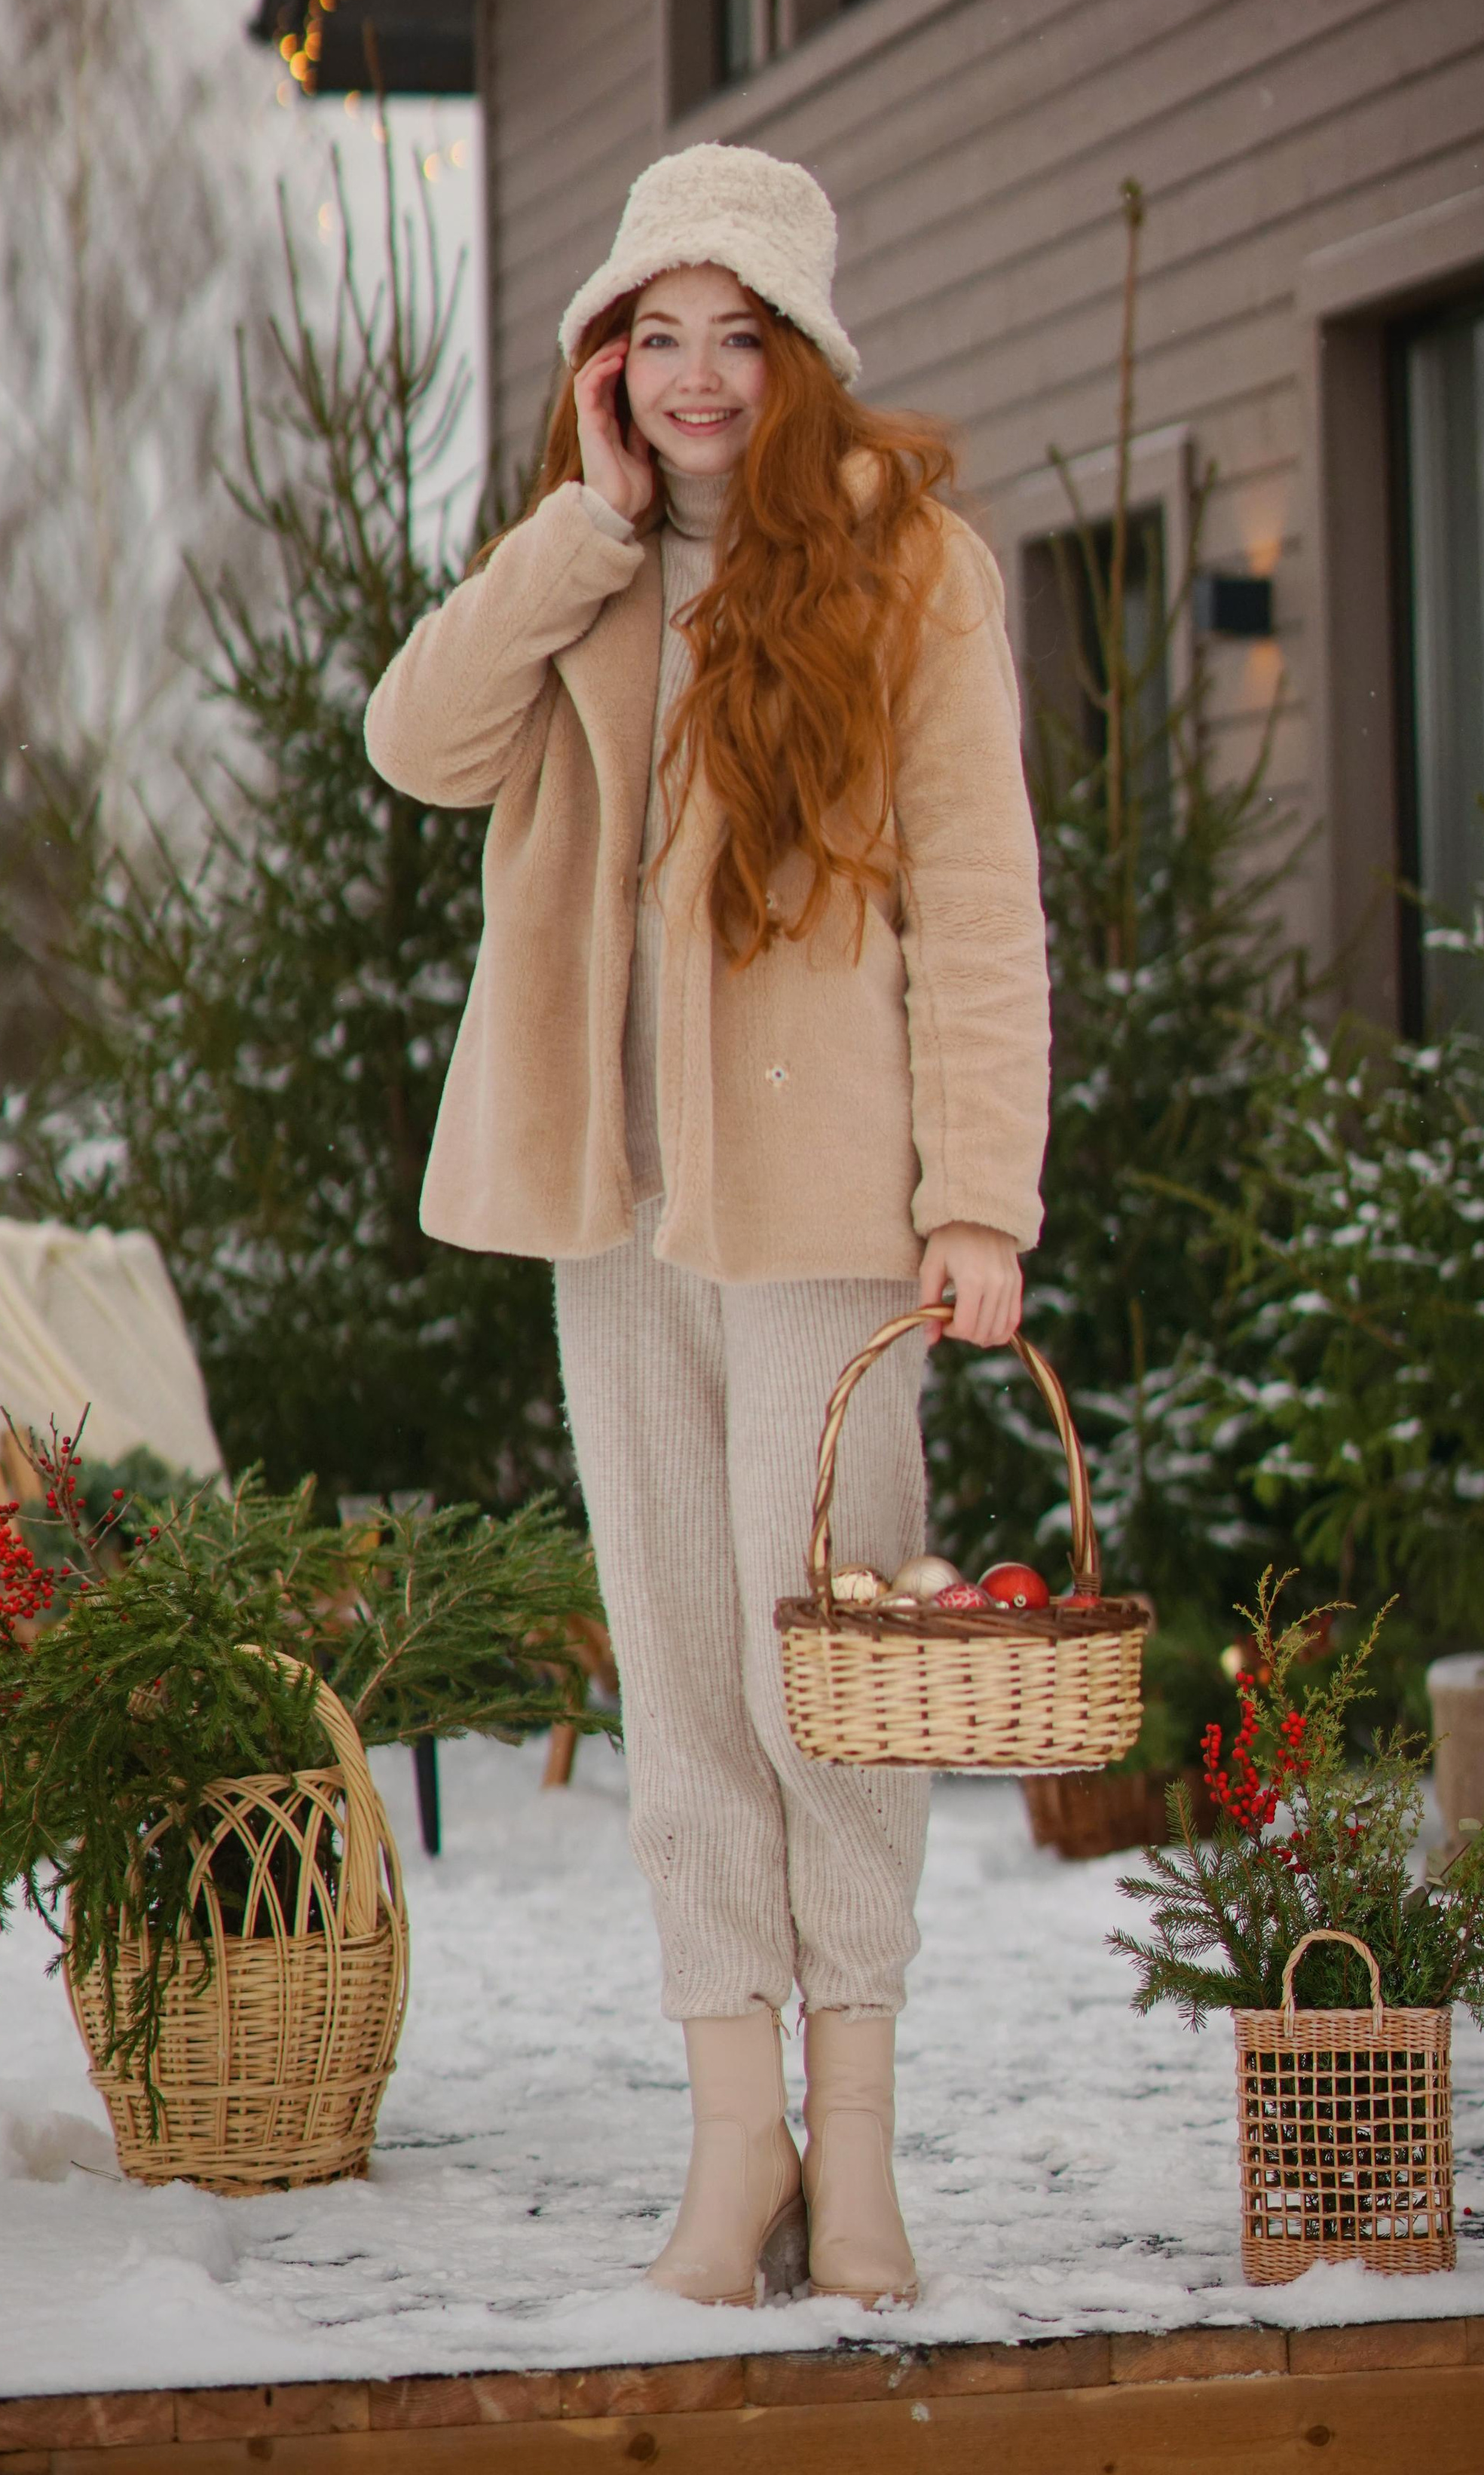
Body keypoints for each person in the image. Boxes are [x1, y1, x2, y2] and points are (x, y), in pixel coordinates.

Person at [366, 142, 1048, 2309]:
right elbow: (416, 740)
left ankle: (857, 2157)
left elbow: (985, 909)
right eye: (650, 339)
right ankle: (732, 2145)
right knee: (675, 1658)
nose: (689, 378)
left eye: (730, 335)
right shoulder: (583, 558)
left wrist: (984, 1207)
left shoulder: (910, 568)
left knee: (822, 1671)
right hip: (621, 1201)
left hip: (831, 1211)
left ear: (800, 352)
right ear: (607, 366)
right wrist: (577, 526)